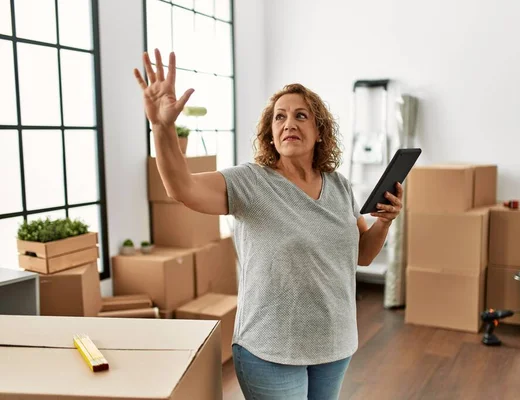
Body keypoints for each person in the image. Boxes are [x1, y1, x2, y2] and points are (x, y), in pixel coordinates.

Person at [133, 49, 403, 400]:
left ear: (319, 131)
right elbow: (181, 188)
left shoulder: (339, 185)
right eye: (279, 117)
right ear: (270, 133)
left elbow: (362, 255)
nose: (289, 123)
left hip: (334, 344)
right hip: (270, 349)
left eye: (301, 115)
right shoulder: (249, 182)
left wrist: (384, 221)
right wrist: (162, 126)